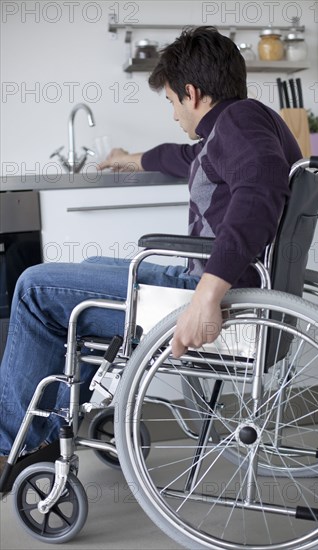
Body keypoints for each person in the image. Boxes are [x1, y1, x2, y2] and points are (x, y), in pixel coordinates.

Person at [0, 26, 301, 481]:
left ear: (192, 93)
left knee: (34, 287)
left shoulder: (240, 122)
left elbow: (259, 195)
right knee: (87, 270)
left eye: (172, 102)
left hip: (213, 296)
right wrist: (130, 158)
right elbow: (186, 158)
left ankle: (11, 445)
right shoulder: (242, 124)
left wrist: (206, 295)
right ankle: (48, 428)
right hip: (224, 286)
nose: (174, 114)